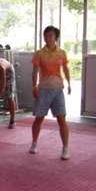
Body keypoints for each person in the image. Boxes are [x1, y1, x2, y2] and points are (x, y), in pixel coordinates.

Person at [29, 26, 71, 160]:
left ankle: (65, 148)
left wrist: (69, 83)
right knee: (39, 118)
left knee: (61, 119)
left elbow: (65, 68)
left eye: (51, 35)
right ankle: (34, 143)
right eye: (46, 35)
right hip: (44, 89)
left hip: (58, 89)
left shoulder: (62, 53)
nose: (48, 38)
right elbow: (35, 71)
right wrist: (34, 86)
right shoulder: (39, 53)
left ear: (56, 37)